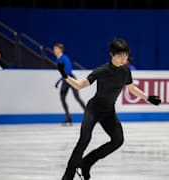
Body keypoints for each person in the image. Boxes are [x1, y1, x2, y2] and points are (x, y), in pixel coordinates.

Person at [57, 39, 161, 180]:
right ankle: (68, 175)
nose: (123, 59)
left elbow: (131, 89)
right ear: (111, 54)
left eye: (125, 56)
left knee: (118, 140)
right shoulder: (102, 71)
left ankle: (86, 162)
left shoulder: (125, 72)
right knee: (84, 139)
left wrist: (148, 97)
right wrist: (65, 76)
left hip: (108, 112)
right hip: (93, 110)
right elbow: (80, 85)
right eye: (120, 56)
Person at [53, 43, 86, 124]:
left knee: (77, 97)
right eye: (54, 49)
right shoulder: (58, 59)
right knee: (62, 98)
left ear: (60, 49)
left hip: (70, 79)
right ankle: (68, 117)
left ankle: (89, 114)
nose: (54, 50)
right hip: (65, 79)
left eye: (56, 49)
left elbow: (68, 71)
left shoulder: (64, 58)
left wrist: (59, 80)